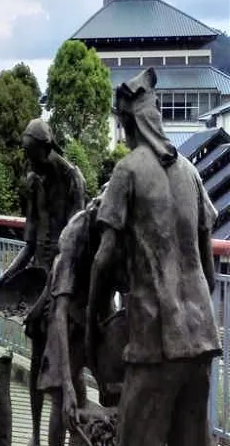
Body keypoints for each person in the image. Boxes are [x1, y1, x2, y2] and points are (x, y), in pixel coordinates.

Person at [85, 67, 220, 446]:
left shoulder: (127, 171)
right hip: (202, 337)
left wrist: (93, 320)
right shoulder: (190, 173)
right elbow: (208, 271)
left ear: (128, 124)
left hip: (156, 341)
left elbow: (103, 258)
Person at [0, 118, 85, 446]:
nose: (29, 162)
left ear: (46, 149)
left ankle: (78, 431)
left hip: (67, 281)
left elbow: (77, 243)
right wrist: (8, 275)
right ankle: (34, 434)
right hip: (39, 279)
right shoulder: (32, 183)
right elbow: (30, 243)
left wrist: (54, 287)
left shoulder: (73, 179)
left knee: (69, 366)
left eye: (32, 155)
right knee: (36, 360)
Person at [36, 195, 123, 446]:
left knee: (115, 393)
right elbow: (60, 313)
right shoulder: (74, 236)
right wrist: (67, 385)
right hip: (69, 318)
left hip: (101, 315)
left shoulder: (123, 229)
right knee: (62, 399)